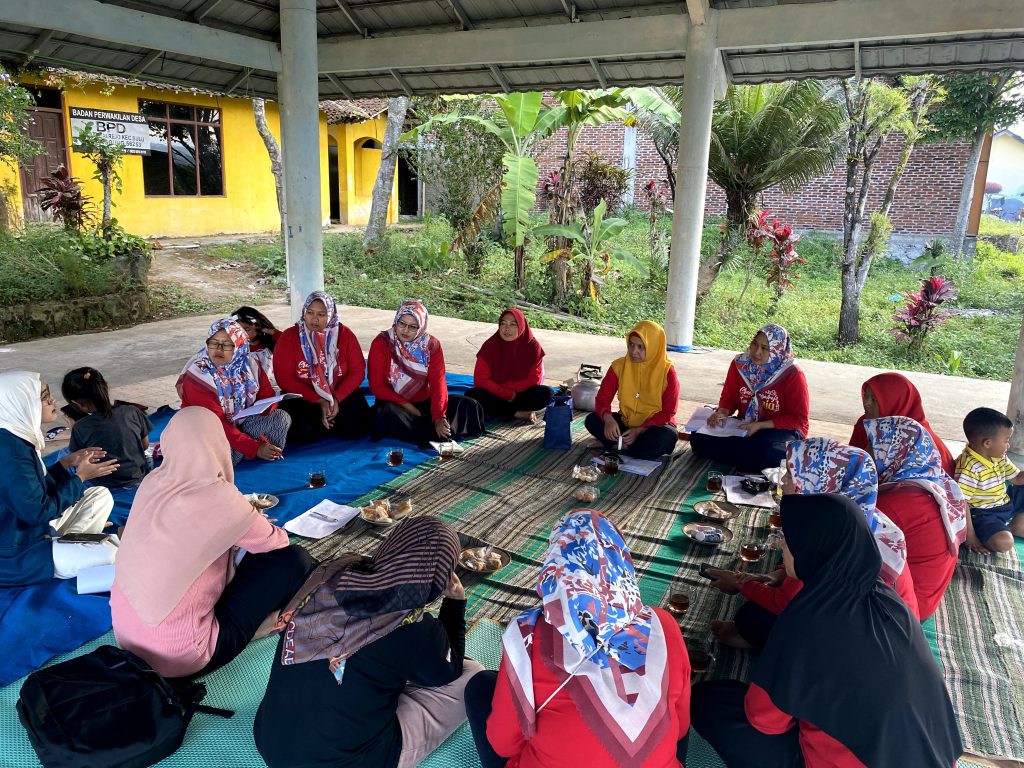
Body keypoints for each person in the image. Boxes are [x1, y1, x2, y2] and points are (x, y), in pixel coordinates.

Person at [691, 493, 963, 768]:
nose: (783, 545)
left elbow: (765, 721)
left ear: (812, 548)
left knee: (710, 701)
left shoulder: (807, 621)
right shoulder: (885, 595)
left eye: (791, 539)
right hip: (932, 756)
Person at [464, 509, 691, 768]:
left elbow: (502, 744)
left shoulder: (527, 635)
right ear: (621, 560)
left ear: (556, 566)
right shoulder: (664, 626)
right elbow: (681, 727)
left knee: (481, 685)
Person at [253, 515, 484, 768]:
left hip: (270, 740)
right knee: (472, 676)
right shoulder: (410, 625)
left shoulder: (329, 576)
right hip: (344, 762)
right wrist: (455, 602)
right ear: (439, 575)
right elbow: (448, 671)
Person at [110, 407, 314, 679]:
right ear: (217, 443)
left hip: (127, 640)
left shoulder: (152, 483)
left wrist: (235, 528)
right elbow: (276, 543)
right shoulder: (217, 496)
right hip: (183, 656)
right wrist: (244, 518)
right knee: (294, 560)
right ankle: (253, 629)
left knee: (230, 555)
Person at [709, 438, 917, 651]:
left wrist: (742, 585)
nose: (782, 480)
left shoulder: (830, 537)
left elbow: (785, 602)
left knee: (752, 618)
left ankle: (755, 641)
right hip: (869, 626)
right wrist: (776, 576)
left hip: (875, 643)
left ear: (819, 483)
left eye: (791, 474)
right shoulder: (856, 513)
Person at [0, 371, 119, 586]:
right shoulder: (10, 453)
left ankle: (70, 545)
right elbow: (37, 511)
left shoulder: (15, 437)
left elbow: (33, 489)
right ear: (21, 403)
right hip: (17, 554)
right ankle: (71, 549)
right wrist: (81, 476)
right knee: (110, 554)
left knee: (100, 495)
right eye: (43, 396)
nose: (51, 400)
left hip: (32, 531)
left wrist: (65, 464)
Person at [865, 416, 968, 619]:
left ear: (895, 452)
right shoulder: (937, 481)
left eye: (874, 447)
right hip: (926, 600)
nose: (866, 452)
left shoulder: (895, 502)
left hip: (900, 610)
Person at [689, 323, 808, 471]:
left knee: (765, 451)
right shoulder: (740, 365)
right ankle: (747, 459)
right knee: (697, 438)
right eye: (754, 344)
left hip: (780, 429)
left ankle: (745, 456)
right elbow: (729, 398)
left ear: (777, 350)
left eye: (765, 348)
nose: (757, 352)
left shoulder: (792, 373)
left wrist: (760, 425)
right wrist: (722, 412)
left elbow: (798, 419)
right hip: (745, 426)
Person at [368, 300, 485, 446]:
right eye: (402, 324)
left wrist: (439, 416)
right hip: (395, 404)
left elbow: (438, 383)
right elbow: (377, 386)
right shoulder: (382, 343)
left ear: (421, 326)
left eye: (412, 327)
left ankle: (431, 430)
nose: (405, 330)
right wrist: (408, 406)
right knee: (385, 414)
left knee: (468, 404)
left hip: (424, 403)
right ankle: (435, 433)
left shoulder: (430, 345)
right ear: (396, 320)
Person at [177, 318, 289, 465]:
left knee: (280, 418)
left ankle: (247, 451)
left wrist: (266, 408)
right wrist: (254, 447)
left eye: (227, 345)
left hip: (239, 424)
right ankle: (244, 454)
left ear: (239, 345)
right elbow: (216, 424)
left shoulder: (249, 364)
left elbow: (266, 395)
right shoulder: (199, 376)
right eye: (213, 343)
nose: (218, 349)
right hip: (209, 432)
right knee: (215, 456)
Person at [273, 291, 373, 444]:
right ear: (303, 313)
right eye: (310, 313)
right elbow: (284, 378)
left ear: (331, 315)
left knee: (356, 428)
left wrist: (337, 398)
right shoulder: (289, 337)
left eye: (321, 314)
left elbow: (358, 371)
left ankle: (329, 422)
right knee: (300, 434)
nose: (314, 319)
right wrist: (318, 400)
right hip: (305, 396)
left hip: (339, 394)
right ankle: (326, 423)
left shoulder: (344, 335)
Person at [583, 320, 679, 461]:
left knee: (667, 438)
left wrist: (640, 430)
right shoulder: (619, 366)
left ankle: (616, 445)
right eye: (631, 345)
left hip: (653, 427)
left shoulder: (667, 372)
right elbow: (602, 399)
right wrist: (608, 419)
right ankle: (627, 447)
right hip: (626, 425)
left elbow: (668, 412)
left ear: (654, 347)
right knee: (592, 420)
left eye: (641, 347)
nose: (634, 351)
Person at [61, 367, 152, 488]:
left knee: (64, 457)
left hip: (103, 483)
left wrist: (73, 427)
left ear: (78, 404)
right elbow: (144, 445)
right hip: (136, 476)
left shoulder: (80, 427)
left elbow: (80, 457)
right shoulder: (132, 411)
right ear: (105, 386)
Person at [848, 372, 955, 475]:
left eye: (874, 400)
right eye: (866, 396)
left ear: (895, 404)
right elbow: (849, 464)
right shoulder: (864, 425)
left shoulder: (923, 443)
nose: (866, 403)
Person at [953, 406, 1024, 554]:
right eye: (1006, 440)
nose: (1008, 445)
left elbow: (1017, 479)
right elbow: (961, 503)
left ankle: (1016, 525)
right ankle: (1011, 528)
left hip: (1004, 501)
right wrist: (970, 537)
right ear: (987, 443)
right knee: (1004, 543)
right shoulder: (969, 467)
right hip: (984, 513)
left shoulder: (998, 456)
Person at [465, 308, 553, 423]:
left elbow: (534, 379)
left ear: (521, 326)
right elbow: (480, 380)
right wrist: (506, 393)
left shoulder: (532, 346)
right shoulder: (490, 346)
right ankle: (517, 413)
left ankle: (503, 410)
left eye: (513, 324)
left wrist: (511, 393)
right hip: (495, 393)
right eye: (503, 323)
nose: (507, 329)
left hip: (519, 395)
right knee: (472, 395)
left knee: (546, 393)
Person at [232, 305, 281, 381]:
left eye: (247, 329)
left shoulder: (272, 344)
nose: (242, 334)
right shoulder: (234, 348)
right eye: (238, 330)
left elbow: (290, 342)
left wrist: (270, 331)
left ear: (258, 326)